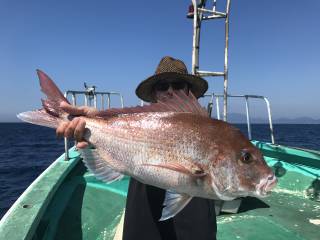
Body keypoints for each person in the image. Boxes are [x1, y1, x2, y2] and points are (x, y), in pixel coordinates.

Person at [57, 56, 217, 240]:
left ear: (189, 91)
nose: (171, 91)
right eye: (163, 86)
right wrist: (95, 125)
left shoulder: (208, 127)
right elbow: (118, 136)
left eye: (179, 85)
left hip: (194, 201)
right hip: (145, 198)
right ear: (155, 94)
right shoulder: (139, 122)